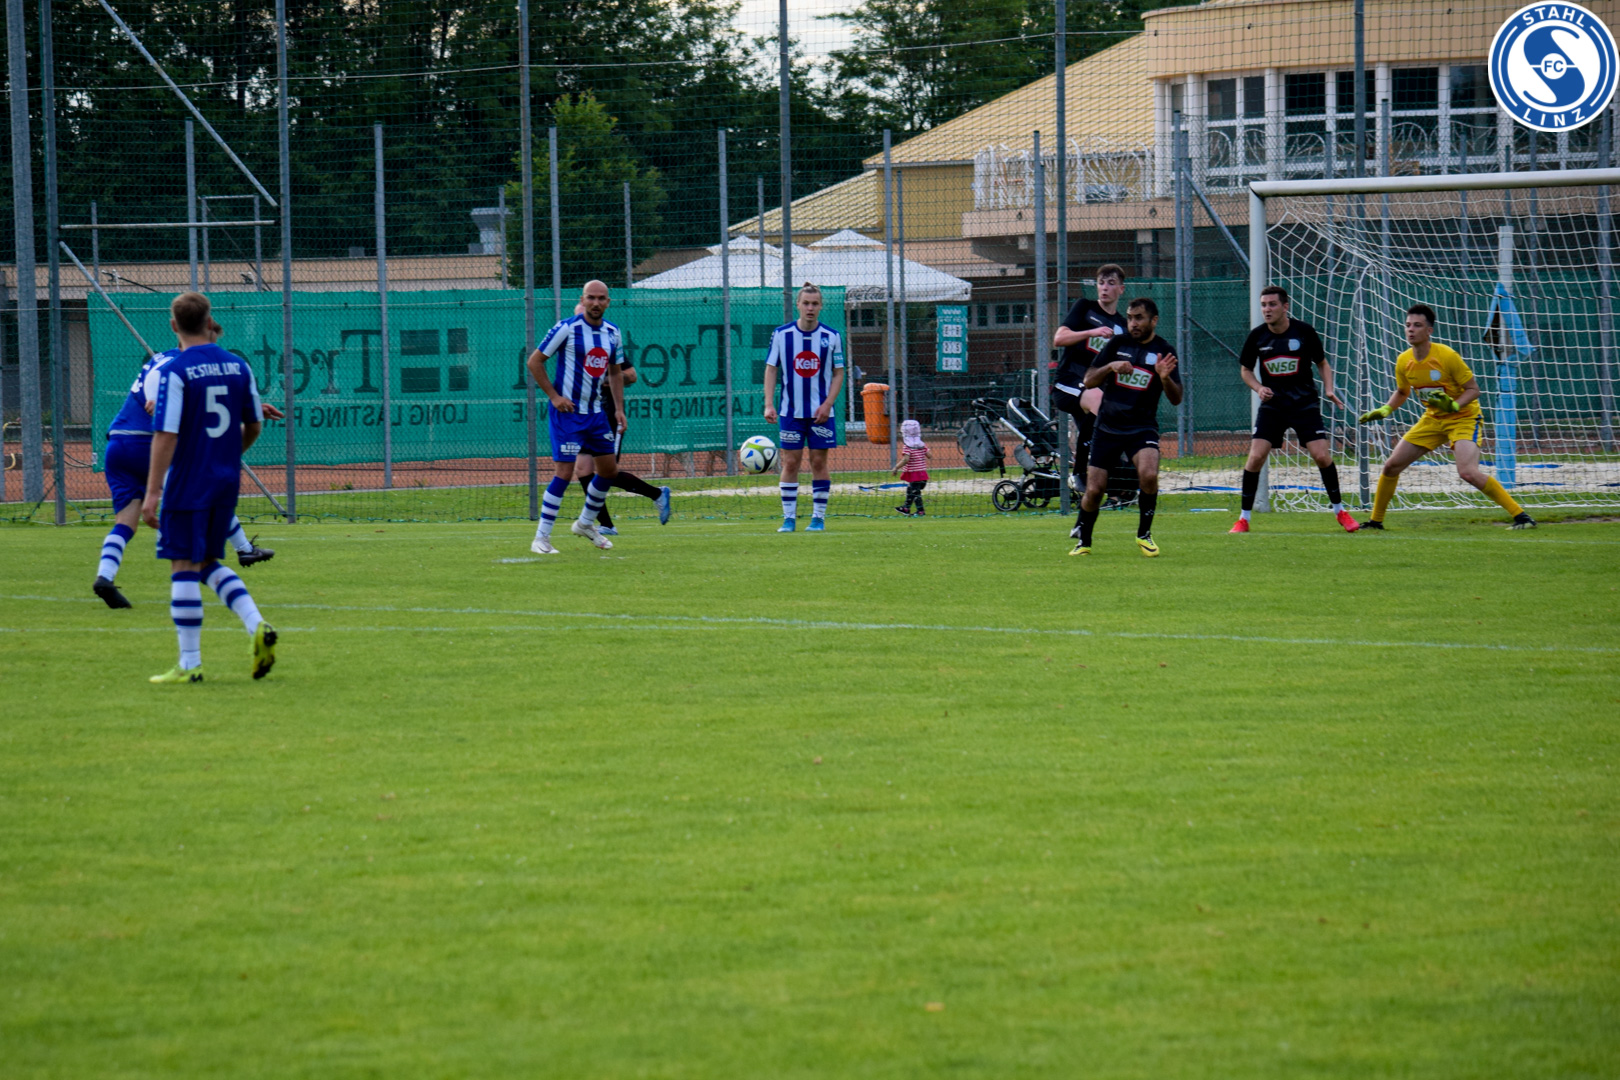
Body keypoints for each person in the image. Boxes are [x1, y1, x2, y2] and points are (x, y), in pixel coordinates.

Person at [140, 293, 277, 683]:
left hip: (189, 480)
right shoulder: (238, 365)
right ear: (208, 320)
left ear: (174, 325)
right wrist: (229, 455)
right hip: (225, 480)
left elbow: (165, 435)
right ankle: (258, 626)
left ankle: (190, 665)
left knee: (182, 564)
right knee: (206, 563)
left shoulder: (176, 370)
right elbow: (254, 424)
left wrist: (152, 492)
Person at [92, 319, 274, 610]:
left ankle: (105, 577)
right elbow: (157, 406)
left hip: (118, 444)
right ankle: (242, 550)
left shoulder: (164, 359)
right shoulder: (180, 364)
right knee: (206, 487)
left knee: (125, 522)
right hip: (145, 444)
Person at [1357, 303, 1535, 530]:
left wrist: (1454, 405)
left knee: (1467, 472)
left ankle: (1522, 517)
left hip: (1464, 418)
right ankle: (1375, 522)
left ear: (1429, 330)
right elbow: (1402, 391)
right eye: (1408, 325)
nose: (1411, 329)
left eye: (1417, 325)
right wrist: (1385, 409)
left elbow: (1474, 390)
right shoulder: (1403, 360)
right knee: (1391, 466)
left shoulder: (1447, 356)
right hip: (1433, 419)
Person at [1230, 286, 1359, 534]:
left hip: (1304, 404)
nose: (1267, 309)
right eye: (1264, 305)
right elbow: (1245, 370)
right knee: (1255, 458)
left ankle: (1340, 511)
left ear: (1285, 306)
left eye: (1272, 304)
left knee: (1321, 456)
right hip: (1273, 406)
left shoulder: (1304, 332)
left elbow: (1322, 363)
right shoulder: (1257, 336)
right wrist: (1258, 388)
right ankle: (1243, 519)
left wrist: (1329, 389)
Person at [1070, 297, 1181, 558]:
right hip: (1107, 428)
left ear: (1154, 320)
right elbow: (1088, 380)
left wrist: (1165, 378)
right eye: (1130, 318)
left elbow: (1176, 398)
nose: (1133, 323)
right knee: (1094, 490)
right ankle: (1084, 541)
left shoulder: (1164, 350)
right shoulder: (1117, 344)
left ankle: (1144, 534)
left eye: (1139, 318)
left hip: (1142, 428)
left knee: (1149, 475)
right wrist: (1110, 366)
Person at [527, 280, 628, 554]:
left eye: (601, 298)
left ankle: (585, 523)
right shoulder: (566, 328)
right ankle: (541, 538)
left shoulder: (612, 333)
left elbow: (615, 372)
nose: (596, 303)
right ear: (582, 300)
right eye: (590, 298)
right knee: (564, 472)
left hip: (596, 414)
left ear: (608, 302)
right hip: (568, 414)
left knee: (609, 471)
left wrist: (618, 409)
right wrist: (554, 397)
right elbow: (534, 361)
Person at [569, 302, 672, 534]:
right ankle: (606, 525)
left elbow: (631, 375)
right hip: (585, 416)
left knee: (607, 472)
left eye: (582, 318)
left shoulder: (605, 344)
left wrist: (604, 381)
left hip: (607, 413)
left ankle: (657, 494)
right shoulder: (573, 348)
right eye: (576, 319)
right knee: (583, 470)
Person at [763, 282, 845, 532]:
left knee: (818, 463)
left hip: (822, 414)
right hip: (791, 412)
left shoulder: (831, 336)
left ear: (821, 306)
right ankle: (789, 519)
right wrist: (768, 404)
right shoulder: (782, 334)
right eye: (806, 303)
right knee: (791, 463)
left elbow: (839, 373)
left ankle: (818, 518)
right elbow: (771, 369)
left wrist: (827, 404)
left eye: (815, 304)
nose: (810, 308)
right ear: (798, 305)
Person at [892, 419, 929, 515]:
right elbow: (929, 455)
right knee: (911, 490)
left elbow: (906, 459)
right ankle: (906, 507)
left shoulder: (907, 447)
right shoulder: (922, 445)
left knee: (915, 492)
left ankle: (920, 511)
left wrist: (896, 468)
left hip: (914, 474)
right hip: (922, 473)